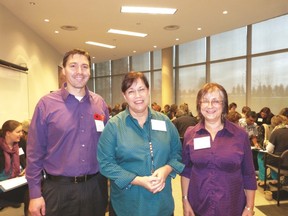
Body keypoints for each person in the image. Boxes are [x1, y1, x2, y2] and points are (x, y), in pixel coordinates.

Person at [26, 49, 109, 216]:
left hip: (95, 187)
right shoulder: (46, 105)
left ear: (90, 71)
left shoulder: (99, 103)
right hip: (58, 190)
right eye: (73, 66)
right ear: (63, 70)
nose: (79, 71)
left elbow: (108, 144)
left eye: (84, 66)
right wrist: (35, 194)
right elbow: (34, 153)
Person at [97, 71, 184, 216]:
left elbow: (177, 154)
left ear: (148, 91)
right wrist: (137, 180)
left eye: (141, 89)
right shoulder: (114, 126)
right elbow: (105, 163)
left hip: (161, 204)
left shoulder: (165, 122)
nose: (137, 96)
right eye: (131, 91)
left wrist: (166, 169)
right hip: (127, 205)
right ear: (124, 96)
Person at [181, 83, 257, 216]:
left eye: (215, 101)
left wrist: (249, 207)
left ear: (224, 105)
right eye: (205, 101)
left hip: (232, 207)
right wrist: (185, 200)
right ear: (199, 105)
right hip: (198, 206)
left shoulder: (240, 135)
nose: (210, 106)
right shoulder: (190, 134)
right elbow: (186, 170)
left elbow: (248, 173)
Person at [0, 120, 27, 211]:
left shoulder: (21, 142)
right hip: (3, 181)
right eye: (18, 132)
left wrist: (27, 168)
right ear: (8, 133)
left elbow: (31, 157)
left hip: (19, 178)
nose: (21, 134)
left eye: (22, 131)